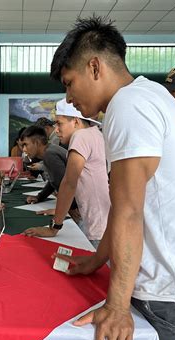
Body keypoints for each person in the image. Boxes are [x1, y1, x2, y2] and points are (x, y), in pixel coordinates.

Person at [49, 17, 175, 340]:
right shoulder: (148, 93)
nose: (69, 98)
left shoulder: (128, 107)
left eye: (69, 84)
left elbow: (129, 211)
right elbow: (126, 203)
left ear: (95, 66)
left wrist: (116, 307)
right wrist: (99, 258)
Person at [24, 99, 108, 249]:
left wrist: (54, 227)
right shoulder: (94, 134)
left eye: (59, 123)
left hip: (96, 226)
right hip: (103, 221)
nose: (56, 130)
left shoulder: (80, 136)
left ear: (75, 122)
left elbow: (69, 183)